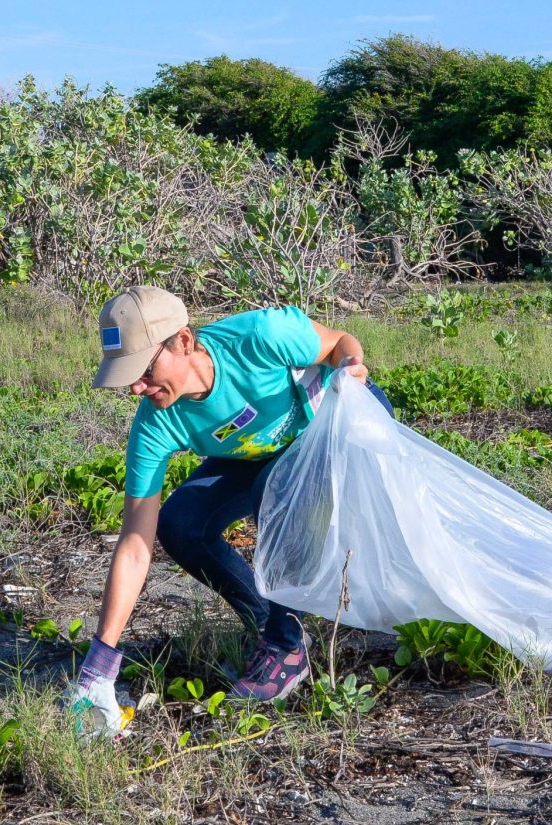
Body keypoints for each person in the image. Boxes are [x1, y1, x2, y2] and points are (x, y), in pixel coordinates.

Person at [67, 286, 395, 725]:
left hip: (332, 429)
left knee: (274, 492)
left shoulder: (260, 336)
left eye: (143, 370)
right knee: (181, 523)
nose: (135, 388)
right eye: (126, 376)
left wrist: (352, 368)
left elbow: (338, 342)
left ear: (183, 341)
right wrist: (100, 662)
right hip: (261, 453)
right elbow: (134, 542)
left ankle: (284, 649)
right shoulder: (155, 424)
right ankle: (274, 625)